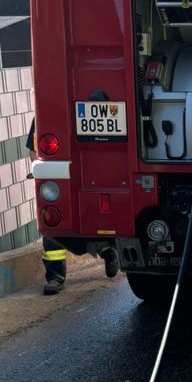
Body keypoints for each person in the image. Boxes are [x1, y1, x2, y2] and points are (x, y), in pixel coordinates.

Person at [26, 119, 119, 294]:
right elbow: (33, 150)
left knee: (92, 221)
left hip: (86, 176)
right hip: (58, 178)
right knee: (53, 227)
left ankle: (108, 252)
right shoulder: (41, 117)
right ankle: (55, 278)